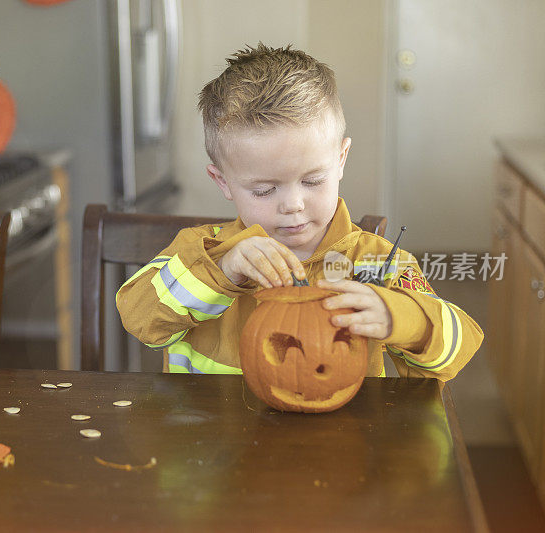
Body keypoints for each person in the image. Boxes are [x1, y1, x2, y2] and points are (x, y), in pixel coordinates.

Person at [116, 43, 483, 379]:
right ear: (223, 181)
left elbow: (459, 348)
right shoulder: (203, 253)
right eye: (264, 189)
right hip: (213, 447)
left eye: (312, 181)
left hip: (339, 444)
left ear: (340, 160)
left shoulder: (375, 263)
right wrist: (223, 270)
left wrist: (402, 318)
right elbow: (139, 318)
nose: (293, 204)